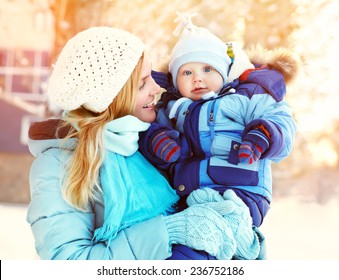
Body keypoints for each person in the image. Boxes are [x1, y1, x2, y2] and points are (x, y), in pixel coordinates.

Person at [26, 26, 244, 260]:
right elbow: (68, 263)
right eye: (142, 84)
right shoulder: (58, 164)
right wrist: (167, 232)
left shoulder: (146, 143)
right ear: (110, 98)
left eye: (151, 76)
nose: (157, 89)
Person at [139, 14, 298, 259]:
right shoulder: (172, 108)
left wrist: (262, 135)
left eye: (207, 69)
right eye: (186, 73)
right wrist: (158, 142)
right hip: (192, 196)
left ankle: (231, 238)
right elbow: (148, 133)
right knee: (185, 241)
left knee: (199, 243)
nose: (197, 78)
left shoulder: (247, 97)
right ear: (175, 81)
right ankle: (234, 249)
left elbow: (281, 121)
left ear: (224, 71)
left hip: (242, 193)